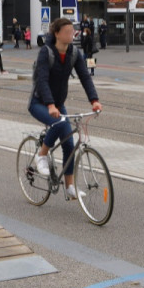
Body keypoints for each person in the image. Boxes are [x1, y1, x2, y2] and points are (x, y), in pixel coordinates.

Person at [30, 18, 103, 200]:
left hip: (58, 103)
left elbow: (85, 77)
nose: (72, 35)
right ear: (57, 34)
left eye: (73, 32)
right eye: (68, 32)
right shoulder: (46, 53)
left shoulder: (74, 53)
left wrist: (94, 100)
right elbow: (42, 80)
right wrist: (50, 104)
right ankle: (42, 155)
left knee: (69, 144)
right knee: (59, 122)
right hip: (39, 102)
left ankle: (70, 187)